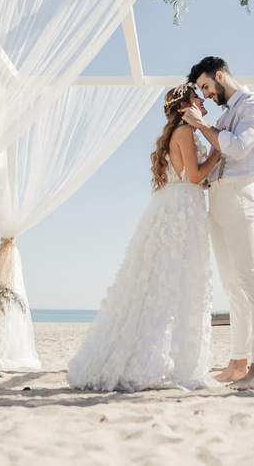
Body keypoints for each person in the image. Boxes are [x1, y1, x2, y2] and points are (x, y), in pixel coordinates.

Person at [66, 84, 221, 392]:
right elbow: (193, 175)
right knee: (174, 283)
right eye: (197, 97)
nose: (203, 100)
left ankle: (163, 355)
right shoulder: (185, 133)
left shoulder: (178, 133)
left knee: (168, 284)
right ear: (184, 106)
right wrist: (219, 151)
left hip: (179, 206)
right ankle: (158, 361)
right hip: (181, 213)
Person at [184, 55, 254, 390]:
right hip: (217, 198)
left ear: (220, 75)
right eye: (202, 90)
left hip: (240, 196)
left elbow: (237, 149)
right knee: (232, 288)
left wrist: (201, 125)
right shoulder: (224, 116)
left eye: (208, 86)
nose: (207, 95)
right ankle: (237, 363)